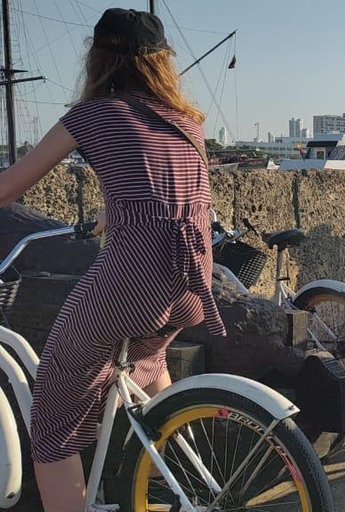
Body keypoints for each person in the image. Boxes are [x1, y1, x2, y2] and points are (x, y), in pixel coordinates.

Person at [0, 9, 224, 511]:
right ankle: (177, 479)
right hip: (191, 281)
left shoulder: (91, 116)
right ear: (162, 64)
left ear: (99, 59)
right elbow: (165, 197)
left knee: (53, 418)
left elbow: (9, 188)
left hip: (131, 283)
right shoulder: (188, 122)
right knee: (149, 359)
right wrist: (113, 212)